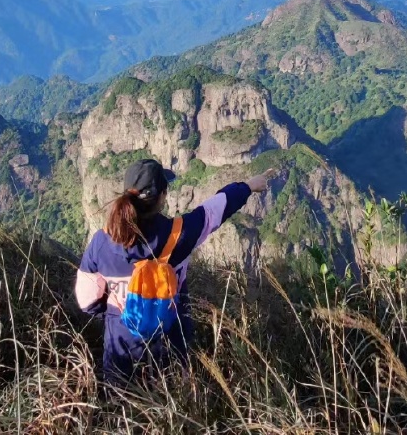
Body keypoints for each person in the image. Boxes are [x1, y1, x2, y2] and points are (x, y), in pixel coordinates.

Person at [74, 157, 277, 384]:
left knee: (121, 407)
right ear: (162, 197)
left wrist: (117, 312)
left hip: (121, 349)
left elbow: (87, 302)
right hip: (170, 345)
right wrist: (249, 186)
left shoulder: (101, 243)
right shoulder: (180, 234)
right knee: (171, 399)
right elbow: (217, 208)